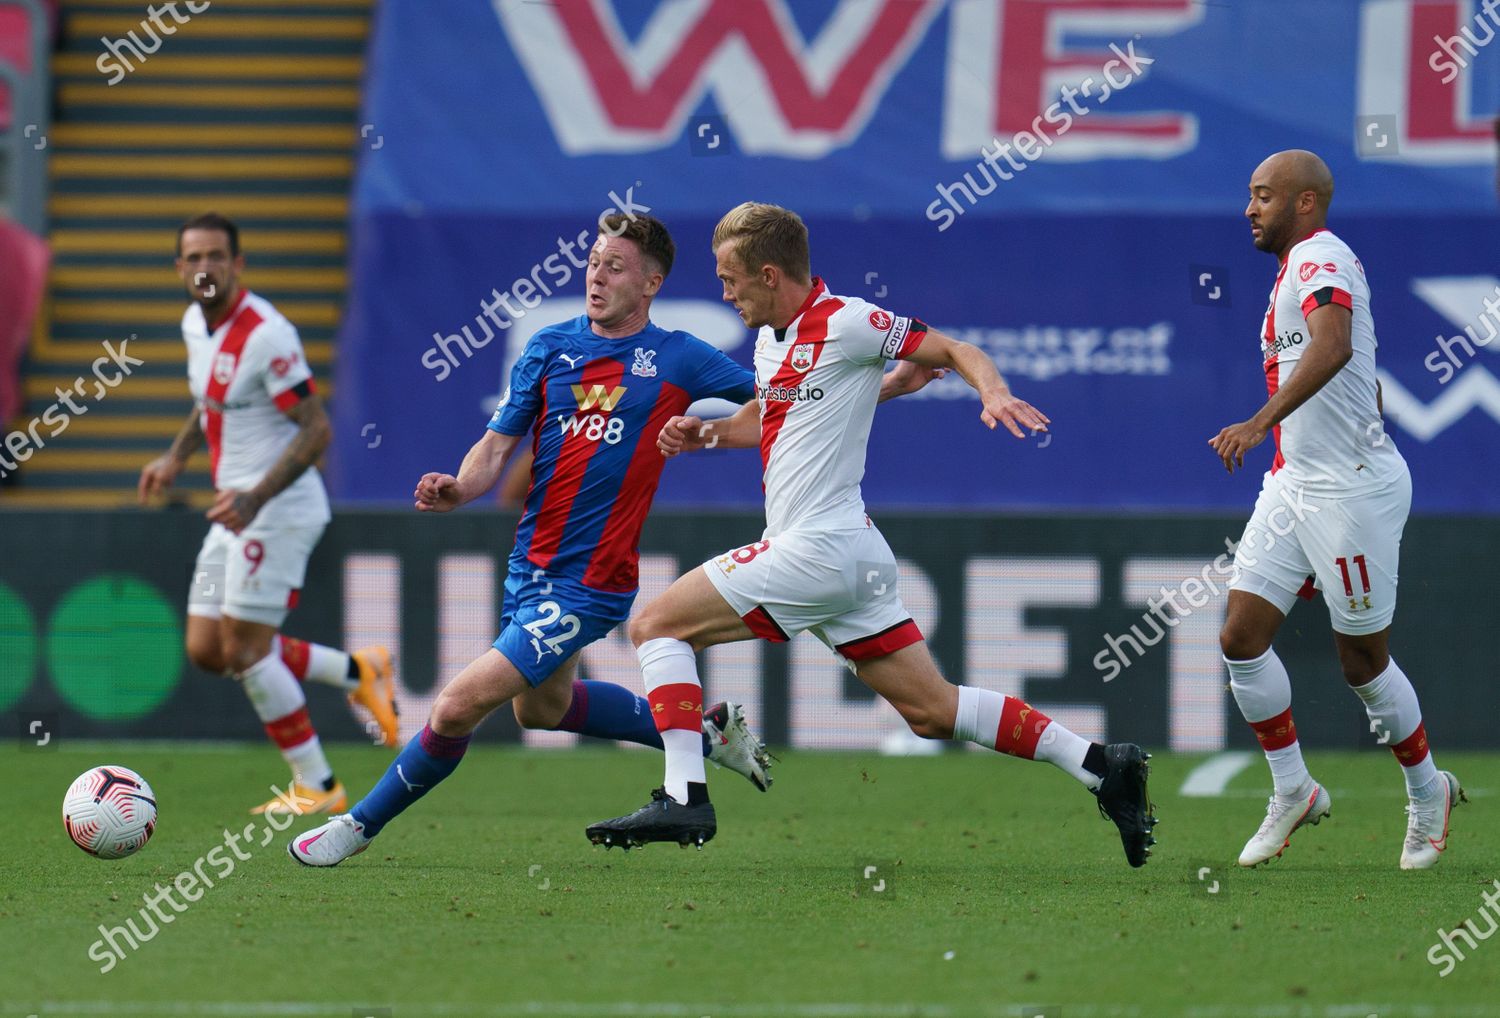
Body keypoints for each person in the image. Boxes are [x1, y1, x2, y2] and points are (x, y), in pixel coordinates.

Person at [585, 202, 1157, 868]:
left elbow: (955, 349)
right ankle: (1101, 765)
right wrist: (707, 433)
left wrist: (991, 392)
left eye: (730, 278)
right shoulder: (773, 339)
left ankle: (685, 793)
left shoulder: (849, 321)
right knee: (933, 712)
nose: (724, 291)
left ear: (769, 274)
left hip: (815, 550)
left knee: (656, 625)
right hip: (852, 558)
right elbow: (778, 419)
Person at [1210, 150, 1463, 870]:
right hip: (1295, 483)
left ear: (1306, 203)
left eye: (1263, 196)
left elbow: (1335, 344)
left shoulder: (1323, 258)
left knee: (1360, 661)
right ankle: (1294, 790)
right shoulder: (1293, 271)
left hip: (1351, 488)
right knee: (1240, 635)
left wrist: (1259, 422)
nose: (1250, 209)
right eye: (1249, 195)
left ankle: (1426, 791)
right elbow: (1359, 370)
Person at [139, 212, 399, 816]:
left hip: (276, 510)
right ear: (179, 268)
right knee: (208, 648)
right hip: (231, 514)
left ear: (237, 264)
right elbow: (210, 402)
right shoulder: (194, 325)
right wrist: (176, 456)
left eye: (215, 257)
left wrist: (256, 496)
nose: (205, 268)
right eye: (194, 258)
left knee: (248, 649)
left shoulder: (265, 335)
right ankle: (359, 670)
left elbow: (317, 430)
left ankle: (319, 784)